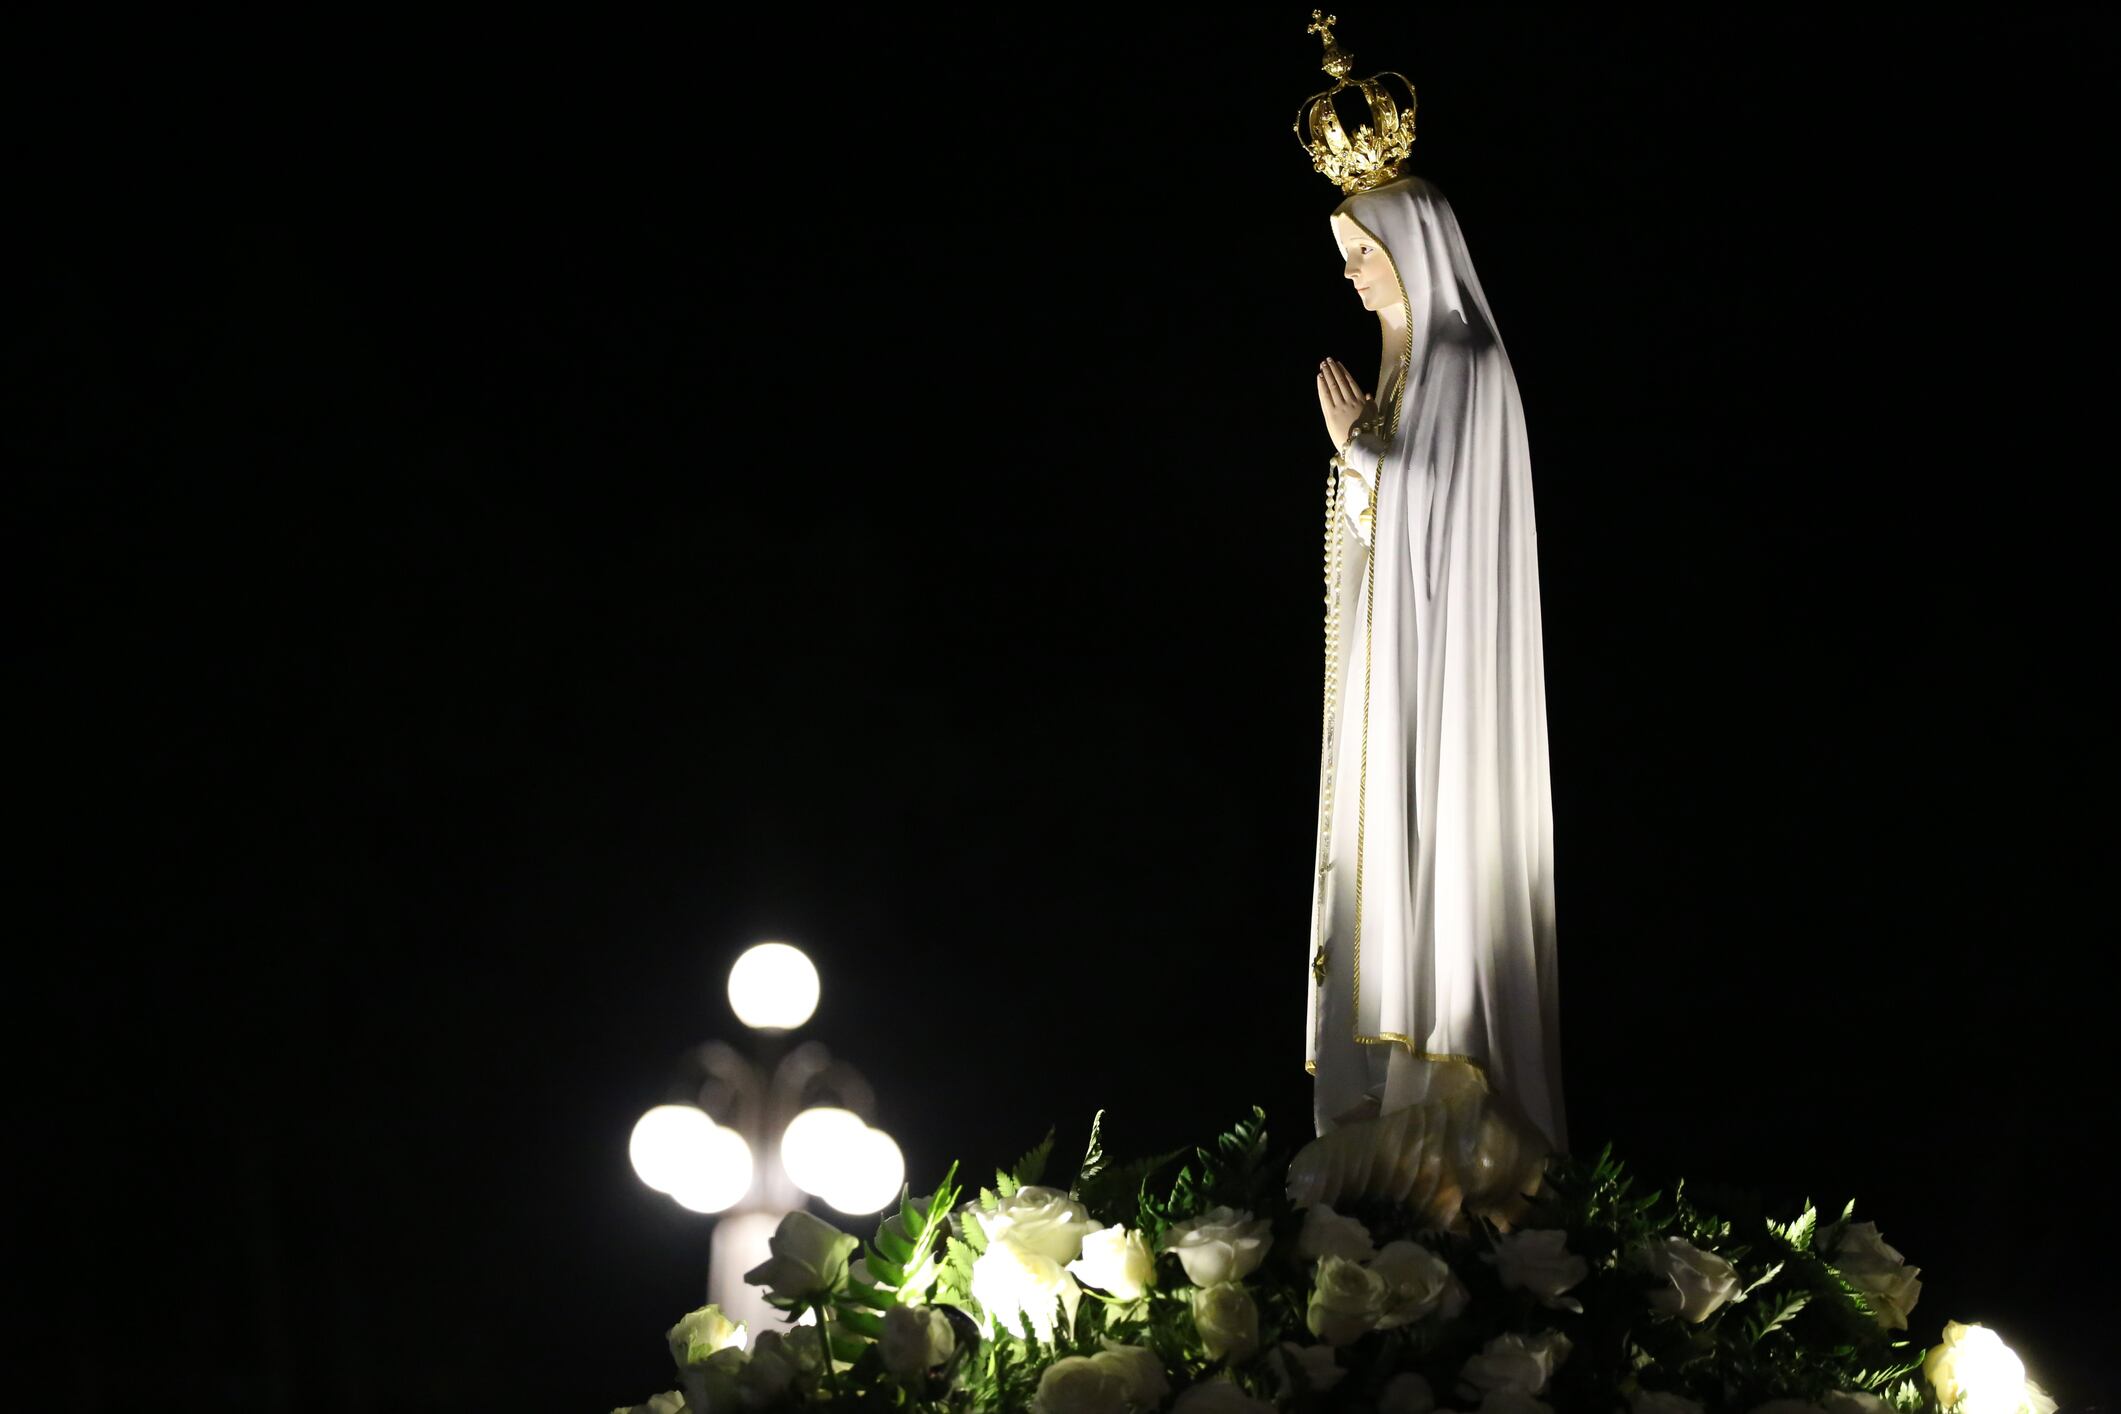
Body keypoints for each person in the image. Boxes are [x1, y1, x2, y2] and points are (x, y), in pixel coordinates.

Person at [1294, 173, 1566, 1223]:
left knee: (1443, 869)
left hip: (1451, 700)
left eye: (1364, 254)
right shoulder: (1407, 372)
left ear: (1416, 247)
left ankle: (1452, 1097)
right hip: (1391, 685)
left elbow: (1451, 528)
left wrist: (1365, 454)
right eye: (1349, 260)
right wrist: (1367, 458)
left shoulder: (1465, 363)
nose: (1355, 280)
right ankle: (1383, 1106)